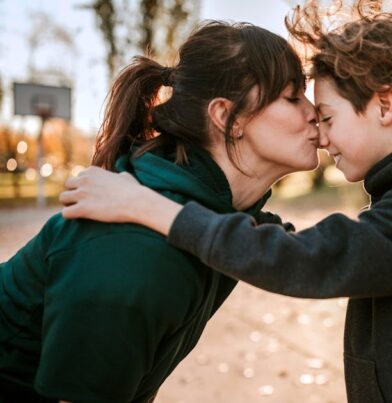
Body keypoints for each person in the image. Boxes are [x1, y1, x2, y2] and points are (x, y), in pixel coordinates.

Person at [60, 2, 392, 402]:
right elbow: (305, 245)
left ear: (385, 105)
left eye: (328, 116)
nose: (321, 132)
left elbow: (309, 258)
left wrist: (154, 209)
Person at [0, 21, 319, 402]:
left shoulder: (215, 220)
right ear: (227, 117)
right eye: (293, 96)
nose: (315, 112)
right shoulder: (136, 252)